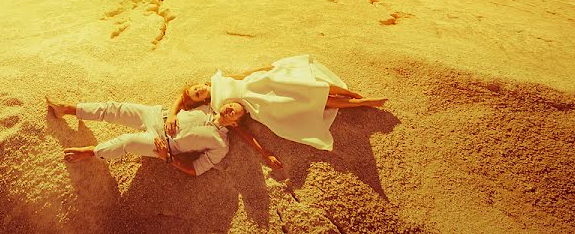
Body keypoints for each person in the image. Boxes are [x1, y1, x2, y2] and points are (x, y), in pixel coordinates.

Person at [166, 55, 387, 151]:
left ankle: (354, 95)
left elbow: (243, 74)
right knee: (313, 103)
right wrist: (174, 113)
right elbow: (242, 131)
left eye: (196, 87)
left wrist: (263, 69)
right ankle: (362, 103)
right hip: (261, 101)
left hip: (262, 81)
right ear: (202, 101)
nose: (198, 89)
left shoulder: (216, 79)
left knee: (312, 85)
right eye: (196, 94)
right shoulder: (217, 107)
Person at [46, 95, 282, 176]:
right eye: (230, 105)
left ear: (236, 122)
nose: (229, 108)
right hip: (156, 115)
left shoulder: (221, 144)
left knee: (128, 142)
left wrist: (168, 158)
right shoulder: (208, 104)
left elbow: (196, 170)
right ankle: (68, 109)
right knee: (115, 108)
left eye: (234, 112)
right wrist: (171, 115)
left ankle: (92, 152)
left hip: (163, 144)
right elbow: (183, 94)